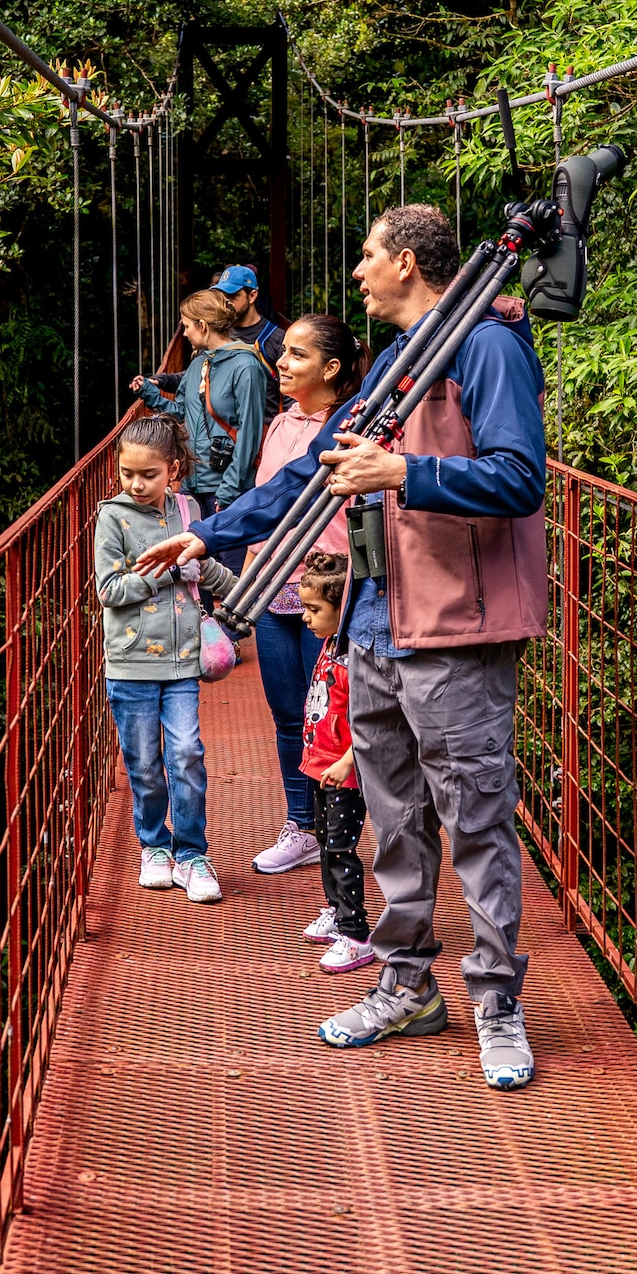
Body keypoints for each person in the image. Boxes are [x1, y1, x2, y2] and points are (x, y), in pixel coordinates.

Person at [136, 204, 548, 1092]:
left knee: (474, 819)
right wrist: (212, 538)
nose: (356, 273)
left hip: (454, 630)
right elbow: (308, 472)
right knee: (394, 823)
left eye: (366, 257)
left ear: (405, 262)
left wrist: (407, 473)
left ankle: (498, 1005)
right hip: (373, 623)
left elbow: (520, 477)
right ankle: (407, 986)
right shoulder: (400, 361)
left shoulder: (485, 347)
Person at [245, 316, 370, 876]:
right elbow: (263, 498)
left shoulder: (360, 424)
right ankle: (303, 825)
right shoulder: (278, 425)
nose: (283, 363)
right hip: (275, 587)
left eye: (297, 355)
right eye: (284, 353)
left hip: (333, 589)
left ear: (332, 368)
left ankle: (338, 830)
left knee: (335, 719)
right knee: (287, 713)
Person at [94, 415, 237, 903]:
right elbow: (110, 591)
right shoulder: (111, 517)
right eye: (127, 473)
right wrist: (167, 570)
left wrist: (241, 596)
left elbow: (204, 564)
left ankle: (193, 852)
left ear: (172, 470)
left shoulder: (187, 507)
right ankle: (154, 846)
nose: (135, 484)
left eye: (148, 474)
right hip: (130, 662)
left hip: (181, 659)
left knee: (185, 754)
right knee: (145, 763)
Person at [132, 289, 269, 544]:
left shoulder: (246, 366)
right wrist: (150, 393)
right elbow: (182, 415)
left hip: (226, 490)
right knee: (200, 569)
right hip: (193, 487)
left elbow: (250, 434)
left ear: (203, 326)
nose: (183, 334)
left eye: (186, 327)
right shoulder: (198, 364)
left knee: (231, 570)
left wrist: (229, 489)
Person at [296, 551, 374, 974]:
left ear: (341, 609)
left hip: (343, 772)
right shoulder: (330, 643)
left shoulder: (355, 656)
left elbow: (368, 716)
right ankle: (336, 910)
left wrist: (347, 762)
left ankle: (356, 932)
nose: (305, 618)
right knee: (326, 844)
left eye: (314, 609)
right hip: (321, 766)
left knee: (341, 850)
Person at [214, 264, 285, 418]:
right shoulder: (216, 334)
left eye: (232, 296)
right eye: (222, 296)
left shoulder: (276, 338)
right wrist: (160, 381)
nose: (225, 302)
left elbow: (292, 395)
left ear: (252, 296)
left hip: (263, 434)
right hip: (224, 436)